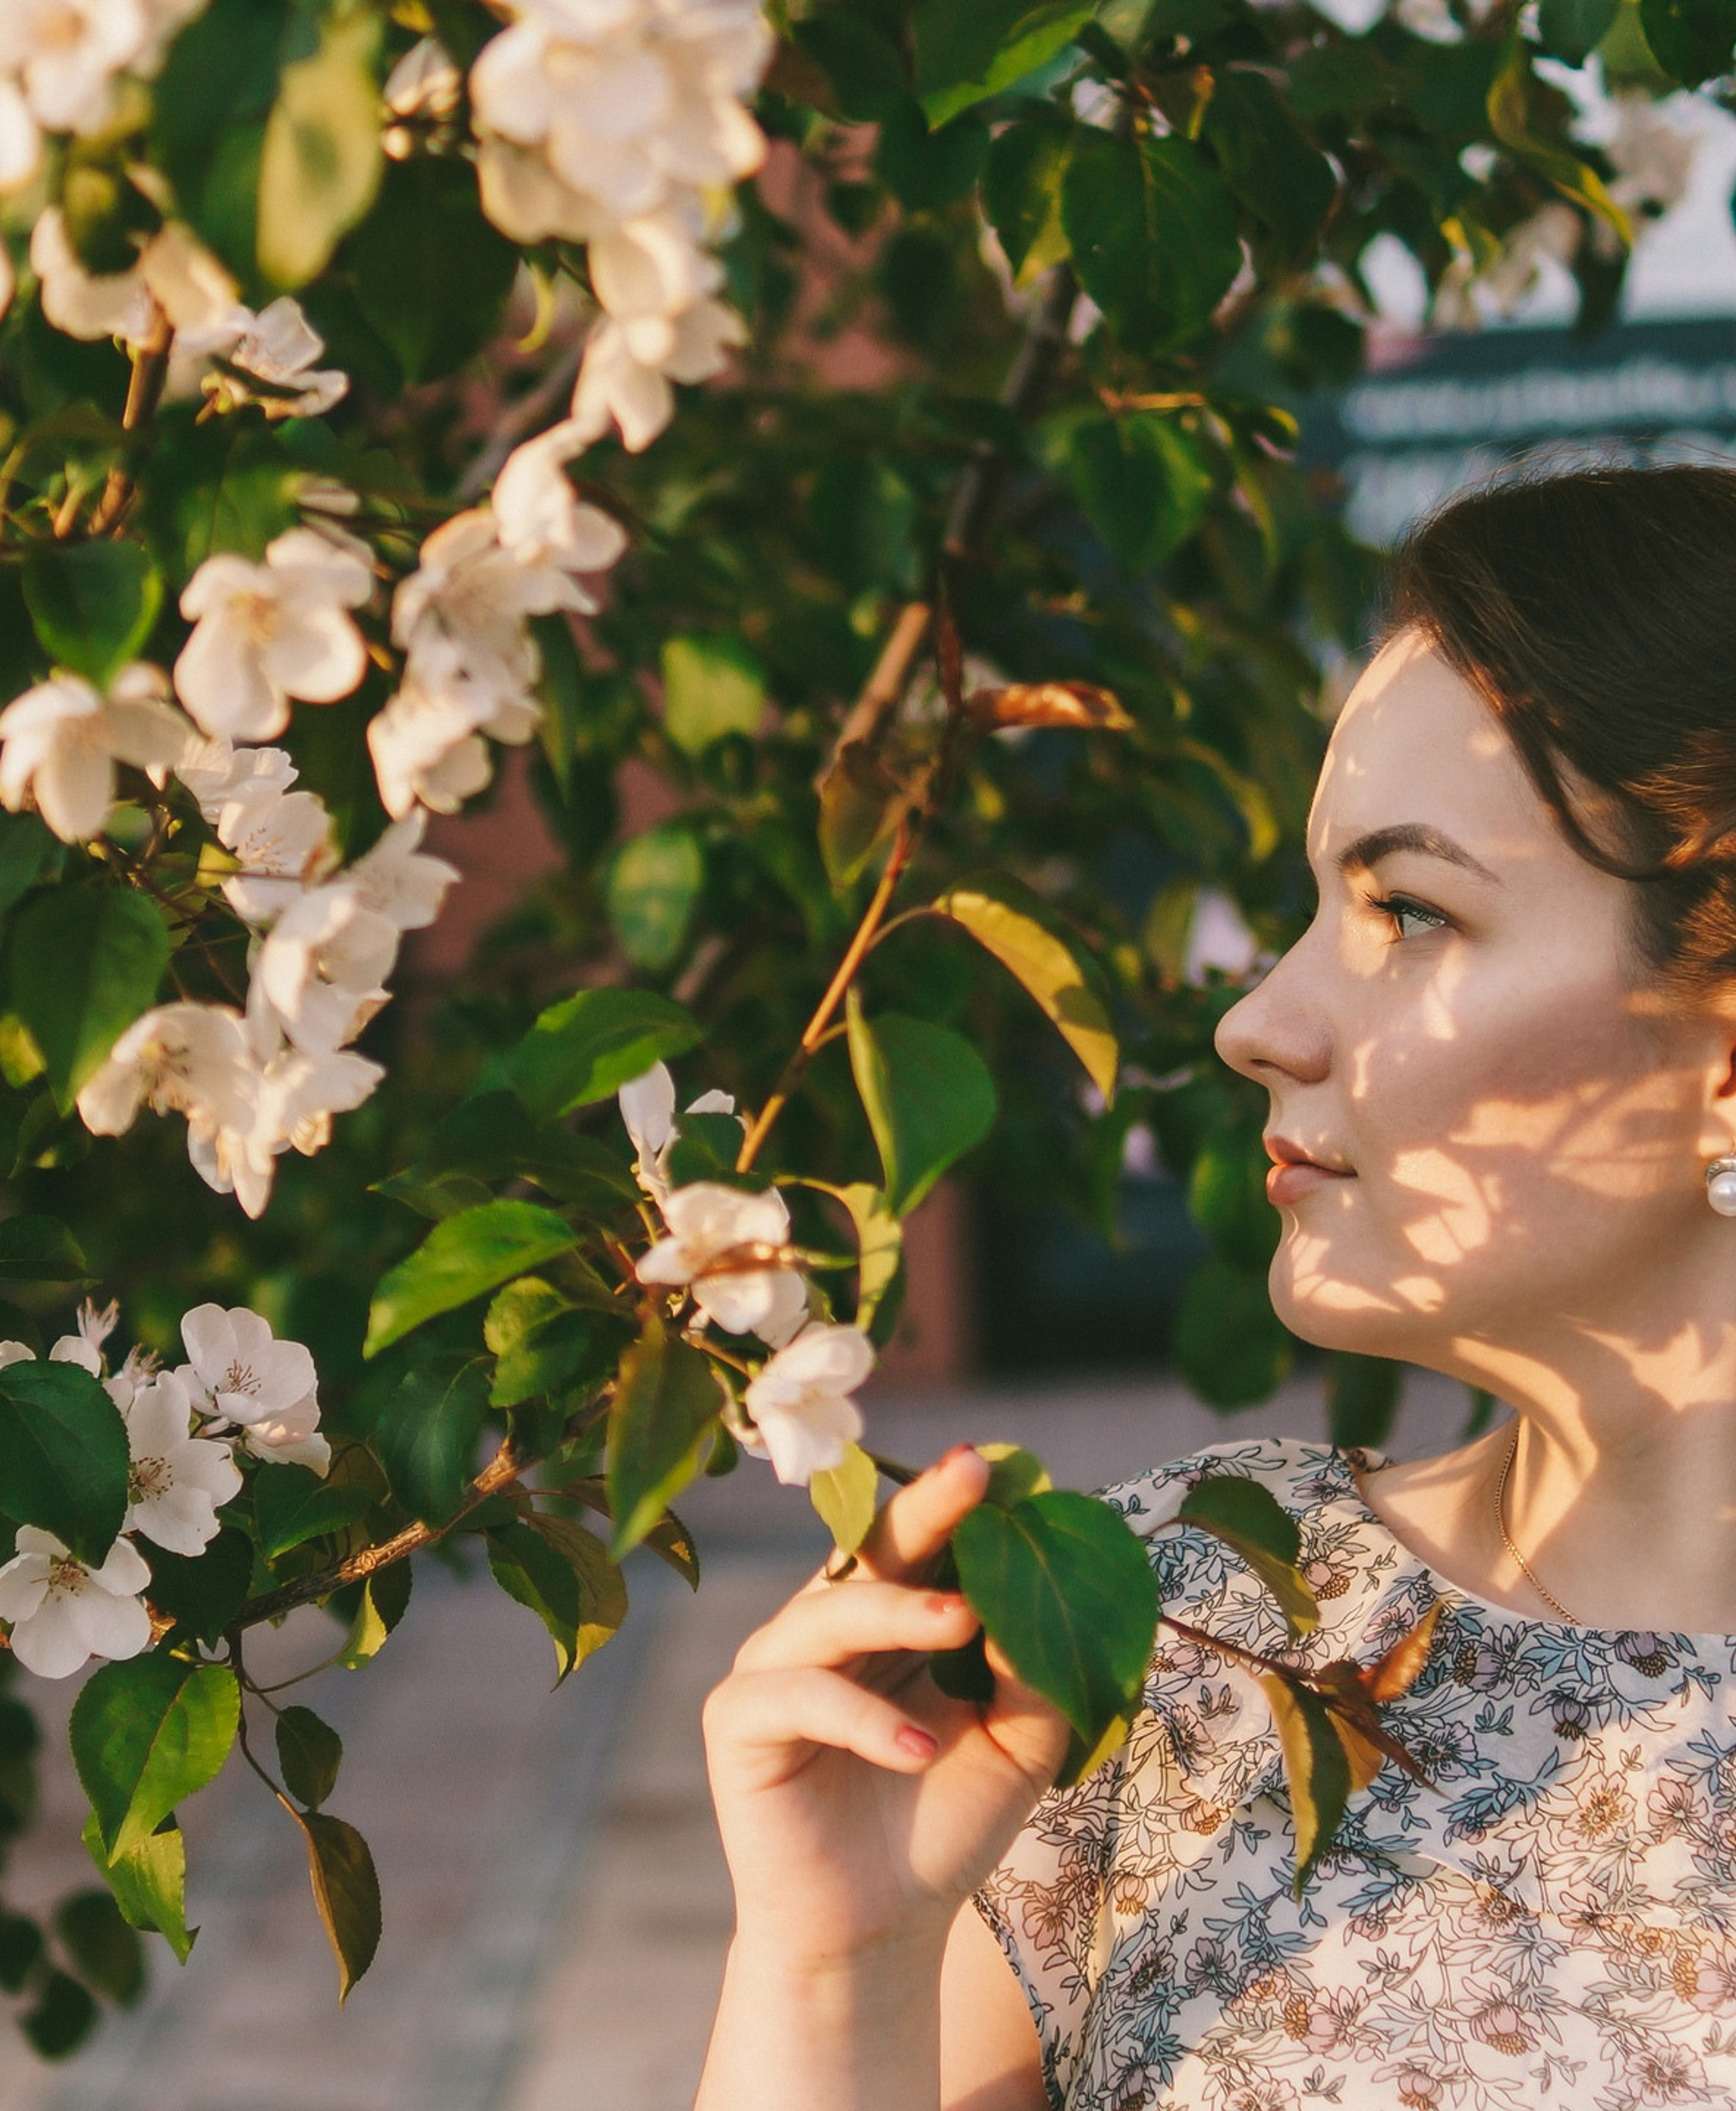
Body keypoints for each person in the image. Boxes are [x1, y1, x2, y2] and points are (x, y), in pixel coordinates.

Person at [693, 462, 1736, 2110]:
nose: (1256, 1021)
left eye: (1409, 911)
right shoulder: (1194, 1628)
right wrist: (834, 1967)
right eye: (1318, 907)